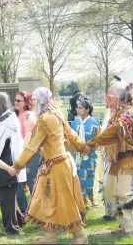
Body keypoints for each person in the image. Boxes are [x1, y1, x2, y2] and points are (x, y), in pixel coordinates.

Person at [11, 87, 89, 244]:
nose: (33, 103)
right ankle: (50, 236)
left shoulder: (45, 119)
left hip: (57, 166)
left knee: (64, 200)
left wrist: (17, 166)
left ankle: (80, 236)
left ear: (39, 101)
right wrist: (83, 147)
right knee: (50, 200)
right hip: (62, 163)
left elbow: (32, 146)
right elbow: (71, 135)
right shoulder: (57, 114)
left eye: (34, 100)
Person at [85, 81, 133, 235]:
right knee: (114, 194)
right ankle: (124, 227)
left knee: (126, 194)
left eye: (110, 95)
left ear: (119, 97)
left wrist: (92, 144)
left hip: (127, 160)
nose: (107, 97)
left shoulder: (130, 113)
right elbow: (108, 132)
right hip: (115, 161)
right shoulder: (116, 114)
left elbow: (114, 131)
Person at [0, 92, 25, 234]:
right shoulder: (11, 118)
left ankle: (10, 228)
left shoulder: (3, 124)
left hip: (5, 165)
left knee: (6, 198)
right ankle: (19, 220)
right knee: (11, 197)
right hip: (12, 163)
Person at [71, 97, 100, 208]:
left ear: (87, 110)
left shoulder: (94, 123)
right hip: (77, 155)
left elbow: (97, 139)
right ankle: (82, 199)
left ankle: (91, 195)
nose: (78, 110)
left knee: (89, 176)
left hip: (90, 155)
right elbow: (72, 138)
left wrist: (89, 148)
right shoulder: (75, 123)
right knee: (79, 176)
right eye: (77, 108)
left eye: (81, 108)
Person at [14, 91, 42, 206]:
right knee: (19, 182)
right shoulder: (16, 115)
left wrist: (21, 152)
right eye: (15, 100)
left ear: (26, 102)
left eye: (19, 100)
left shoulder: (28, 115)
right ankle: (26, 209)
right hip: (20, 151)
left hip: (30, 153)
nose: (15, 102)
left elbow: (28, 135)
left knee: (32, 181)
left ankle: (38, 209)